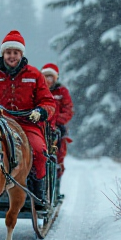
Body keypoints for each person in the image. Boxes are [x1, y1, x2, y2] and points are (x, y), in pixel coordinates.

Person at [0, 30, 56, 201]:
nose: (12, 56)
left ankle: (38, 190)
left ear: (21, 54)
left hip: (27, 124)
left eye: (15, 53)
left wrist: (41, 112)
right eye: (8, 52)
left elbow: (48, 101)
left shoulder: (35, 74)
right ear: (3, 53)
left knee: (38, 151)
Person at [41, 63, 74, 197]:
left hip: (57, 127)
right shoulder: (39, 89)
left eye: (51, 76)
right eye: (46, 76)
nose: (48, 80)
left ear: (55, 78)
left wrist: (55, 120)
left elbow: (68, 110)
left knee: (58, 154)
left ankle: (56, 188)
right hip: (41, 124)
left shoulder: (62, 92)